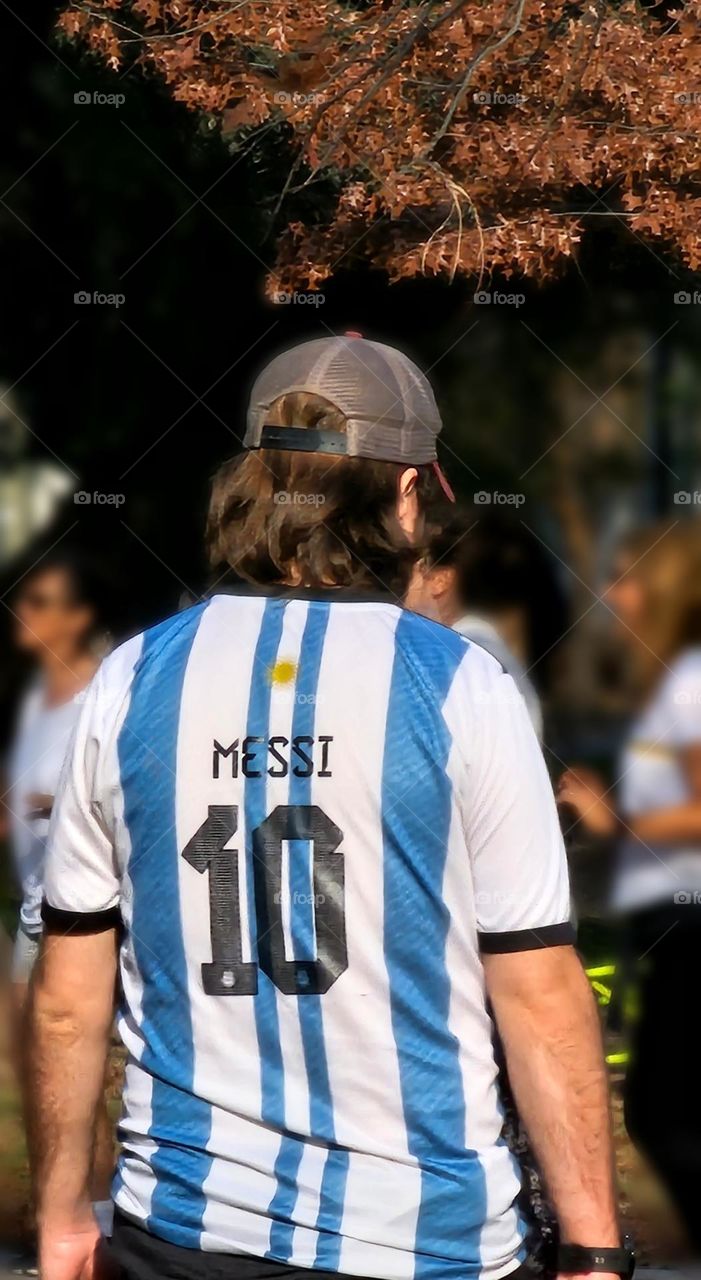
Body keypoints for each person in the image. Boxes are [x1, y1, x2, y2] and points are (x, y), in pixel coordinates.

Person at [30, 335, 626, 1280]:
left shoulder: (131, 678)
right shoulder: (460, 685)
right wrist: (594, 1245)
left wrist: (62, 1212)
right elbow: (537, 987)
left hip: (183, 1231)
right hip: (425, 1235)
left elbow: (69, 997)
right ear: (403, 496)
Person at [558, 519, 701, 1255]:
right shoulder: (671, 678)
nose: (612, 595)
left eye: (627, 579)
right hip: (670, 927)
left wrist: (609, 818)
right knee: (662, 1109)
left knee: (664, 1112)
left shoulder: (691, 680)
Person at [3, 547, 116, 1257]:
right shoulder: (35, 701)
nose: (27, 614)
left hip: (77, 919)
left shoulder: (98, 696)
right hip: (29, 915)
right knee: (35, 1076)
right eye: (27, 600)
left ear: (78, 619)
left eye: (45, 603)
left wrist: (37, 801)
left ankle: (98, 1229)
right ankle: (56, 1217)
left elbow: (110, 796)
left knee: (80, 1080)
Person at [405, 513, 550, 738]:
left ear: (439, 580)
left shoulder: (456, 658)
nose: (399, 584)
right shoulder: (487, 654)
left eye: (412, 568)